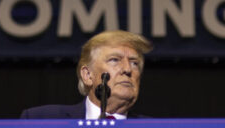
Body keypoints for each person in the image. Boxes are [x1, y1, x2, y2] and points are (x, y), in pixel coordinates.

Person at [20, 30, 153, 119]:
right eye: (114, 60)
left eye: (134, 63)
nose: (127, 69)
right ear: (88, 75)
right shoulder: (41, 120)